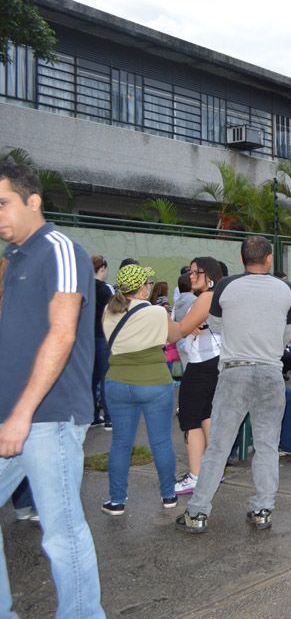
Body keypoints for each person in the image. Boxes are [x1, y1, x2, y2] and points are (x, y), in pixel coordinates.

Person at [0, 163, 106, 617]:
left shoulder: (61, 250)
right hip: (13, 417)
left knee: (62, 533)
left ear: (33, 201)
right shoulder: (16, 260)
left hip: (48, 417)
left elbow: (62, 335)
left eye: (3, 203)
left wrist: (23, 413)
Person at [175, 236, 291, 533]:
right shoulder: (286, 289)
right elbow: (289, 333)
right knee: (267, 445)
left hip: (234, 372)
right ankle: (262, 510)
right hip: (270, 373)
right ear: (269, 259)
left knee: (218, 445)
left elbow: (215, 325)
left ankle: (198, 512)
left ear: (242, 259)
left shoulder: (227, 286)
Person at [100, 264, 182, 515]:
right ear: (144, 288)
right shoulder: (157, 313)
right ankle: (168, 495)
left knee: (121, 443)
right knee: (161, 442)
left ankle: (117, 501)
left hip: (116, 382)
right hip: (154, 382)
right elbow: (176, 335)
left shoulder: (108, 310)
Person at [172, 256, 225, 494]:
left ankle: (195, 476)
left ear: (210, 276)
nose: (191, 276)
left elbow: (178, 331)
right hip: (214, 362)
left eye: (196, 272)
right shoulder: (220, 296)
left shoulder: (206, 297)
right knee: (206, 415)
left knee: (191, 418)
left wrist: (164, 319)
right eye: (191, 272)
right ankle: (212, 471)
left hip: (201, 363)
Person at [91, 254, 113, 429]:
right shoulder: (104, 289)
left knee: (92, 377)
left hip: (87, 337)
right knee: (106, 377)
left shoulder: (83, 286)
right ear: (103, 268)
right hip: (102, 336)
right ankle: (109, 417)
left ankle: (93, 414)